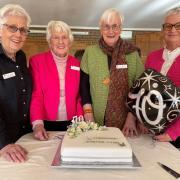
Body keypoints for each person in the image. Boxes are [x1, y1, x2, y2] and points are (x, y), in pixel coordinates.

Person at [80, 8, 146, 136]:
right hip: (96, 120)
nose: (110, 31)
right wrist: (88, 115)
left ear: (121, 28)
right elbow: (84, 87)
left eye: (115, 26)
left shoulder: (132, 54)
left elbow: (141, 88)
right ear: (101, 29)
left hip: (127, 123)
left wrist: (131, 118)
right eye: (106, 26)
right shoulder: (90, 52)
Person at [29, 20, 83, 141]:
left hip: (72, 122)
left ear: (69, 41)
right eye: (55, 37)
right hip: (45, 122)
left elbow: (79, 96)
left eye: (64, 37)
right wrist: (37, 123)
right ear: (49, 41)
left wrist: (80, 120)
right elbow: (36, 94)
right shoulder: (37, 62)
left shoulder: (76, 63)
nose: (60, 42)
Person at [0, 4, 32, 162]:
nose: (18, 34)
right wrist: (3, 144)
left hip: (22, 139)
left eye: (23, 30)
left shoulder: (21, 56)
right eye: (12, 27)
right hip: (4, 146)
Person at [145, 7, 180, 146]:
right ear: (163, 30)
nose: (172, 30)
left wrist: (174, 133)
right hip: (151, 130)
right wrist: (143, 121)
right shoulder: (152, 57)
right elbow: (146, 93)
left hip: (175, 136)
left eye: (178, 26)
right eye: (168, 26)